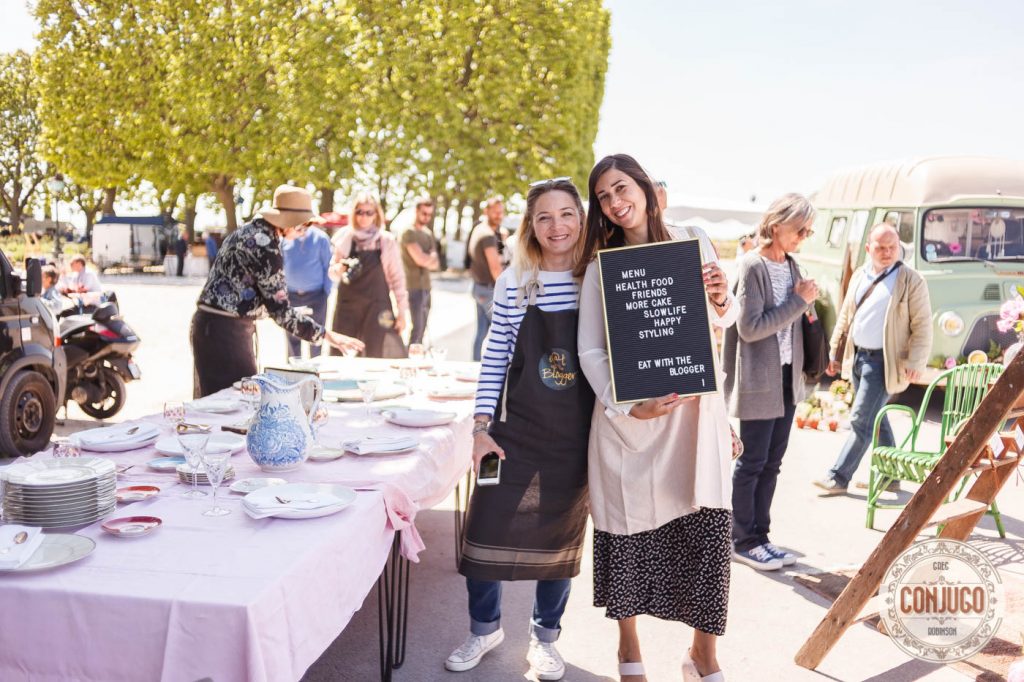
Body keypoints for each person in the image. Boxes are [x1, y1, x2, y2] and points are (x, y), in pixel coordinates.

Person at [576, 155, 736, 682]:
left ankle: (702, 655)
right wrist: (629, 405)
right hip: (635, 422)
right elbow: (590, 350)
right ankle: (628, 647)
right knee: (629, 533)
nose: (614, 202)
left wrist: (721, 297)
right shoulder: (602, 266)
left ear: (644, 188)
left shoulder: (694, 240)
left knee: (707, 533)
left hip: (695, 417)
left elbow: (722, 320)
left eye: (621, 188)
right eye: (603, 196)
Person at [447, 179, 594, 681]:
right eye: (544, 217)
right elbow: (495, 357)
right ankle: (484, 629)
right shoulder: (515, 281)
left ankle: (545, 638)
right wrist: (480, 429)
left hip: (576, 435)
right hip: (510, 430)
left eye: (567, 214)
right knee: (483, 525)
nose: (557, 226)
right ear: (530, 225)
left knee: (561, 541)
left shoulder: (596, 278)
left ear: (582, 218)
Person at [191, 185, 363, 397]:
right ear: (291, 222)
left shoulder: (248, 231)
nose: (304, 232)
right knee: (235, 402)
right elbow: (280, 312)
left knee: (225, 402)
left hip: (213, 327)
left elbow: (248, 291)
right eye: (304, 225)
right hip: (225, 333)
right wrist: (329, 336)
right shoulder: (266, 246)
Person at [722, 193, 818, 572]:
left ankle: (760, 537)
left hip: (787, 377)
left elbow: (792, 322)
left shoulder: (793, 265)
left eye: (809, 231)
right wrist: (798, 302)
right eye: (800, 229)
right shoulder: (752, 266)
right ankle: (741, 540)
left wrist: (806, 301)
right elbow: (750, 328)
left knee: (772, 463)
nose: (804, 236)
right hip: (759, 380)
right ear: (776, 226)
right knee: (753, 462)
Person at [814, 224, 932, 494]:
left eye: (892, 247)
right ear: (869, 248)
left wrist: (916, 362)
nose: (887, 252)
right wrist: (835, 352)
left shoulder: (911, 280)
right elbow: (846, 316)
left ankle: (838, 477)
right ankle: (890, 476)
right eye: (881, 247)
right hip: (858, 357)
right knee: (876, 417)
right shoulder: (860, 275)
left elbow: (923, 325)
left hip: (883, 362)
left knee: (861, 419)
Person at [328, 191, 409, 358]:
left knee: (376, 355)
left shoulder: (386, 241)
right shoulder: (345, 237)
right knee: (341, 356)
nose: (363, 217)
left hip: (377, 307)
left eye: (368, 212)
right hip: (348, 308)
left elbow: (398, 279)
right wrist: (339, 269)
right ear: (354, 213)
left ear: (376, 215)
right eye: (359, 212)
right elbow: (332, 273)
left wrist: (402, 313)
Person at [281, 222, 333, 359]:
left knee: (316, 337)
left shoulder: (321, 238)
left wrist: (326, 293)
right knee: (292, 335)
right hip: (291, 296)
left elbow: (328, 266)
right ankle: (293, 367)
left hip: (316, 296)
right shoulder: (286, 237)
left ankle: (316, 367)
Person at [466, 197, 509, 360]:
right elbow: (496, 269)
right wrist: (508, 291)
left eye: (501, 212)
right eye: (495, 212)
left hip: (479, 287)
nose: (499, 215)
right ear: (486, 211)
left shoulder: (479, 229)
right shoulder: (487, 235)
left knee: (481, 332)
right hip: (488, 290)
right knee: (503, 330)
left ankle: (475, 365)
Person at [400, 197, 439, 345]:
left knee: (423, 329)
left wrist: (427, 259)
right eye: (424, 213)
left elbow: (436, 264)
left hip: (426, 286)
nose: (427, 217)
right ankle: (410, 356)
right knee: (417, 329)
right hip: (412, 286)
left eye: (429, 214)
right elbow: (420, 259)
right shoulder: (408, 232)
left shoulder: (428, 233)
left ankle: (417, 355)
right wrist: (429, 258)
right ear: (416, 211)